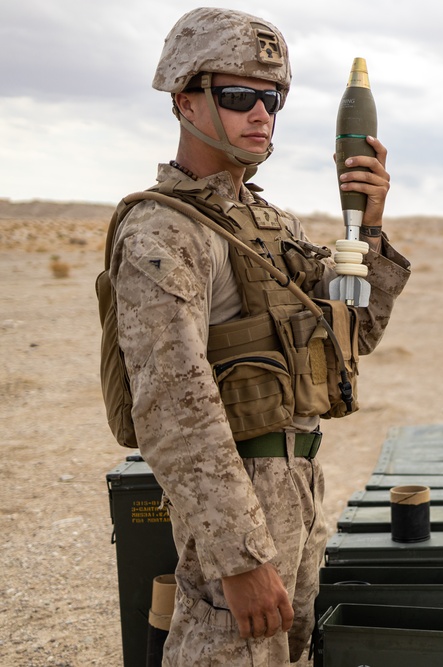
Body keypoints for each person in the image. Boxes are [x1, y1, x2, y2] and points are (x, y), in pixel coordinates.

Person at [107, 7, 409, 665]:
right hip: (237, 494)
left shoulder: (270, 223)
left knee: (285, 649)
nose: (260, 113)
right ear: (185, 100)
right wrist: (240, 556)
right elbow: (173, 409)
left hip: (297, 480)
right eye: (238, 95)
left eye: (271, 98)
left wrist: (371, 231)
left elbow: (350, 343)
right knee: (229, 650)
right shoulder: (163, 234)